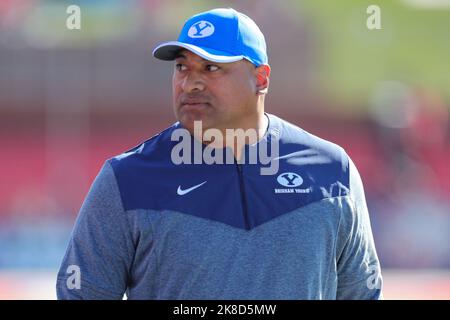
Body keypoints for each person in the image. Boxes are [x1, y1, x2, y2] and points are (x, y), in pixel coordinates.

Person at [56, 7, 383, 300]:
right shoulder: (126, 179)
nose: (190, 84)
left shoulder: (332, 171)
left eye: (211, 68)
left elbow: (361, 294)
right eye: (182, 67)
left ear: (261, 78)